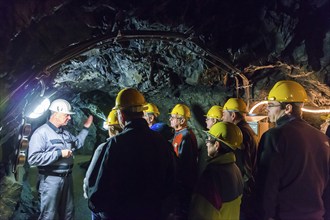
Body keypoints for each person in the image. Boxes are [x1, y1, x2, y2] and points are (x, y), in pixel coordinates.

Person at [87, 88, 175, 220]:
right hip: (152, 213)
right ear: (142, 112)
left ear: (121, 115)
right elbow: (172, 182)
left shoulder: (115, 144)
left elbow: (100, 186)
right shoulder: (162, 142)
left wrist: (97, 208)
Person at [254, 80, 330, 219]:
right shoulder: (323, 139)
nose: (267, 109)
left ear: (288, 108)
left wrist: (265, 216)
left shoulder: (274, 136)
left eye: (271, 105)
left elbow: (267, 185)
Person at [28, 98, 93, 220]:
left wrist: (86, 128)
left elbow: (77, 143)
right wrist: (59, 153)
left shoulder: (65, 133)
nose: (69, 118)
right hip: (50, 180)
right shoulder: (41, 133)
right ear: (55, 114)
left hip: (67, 179)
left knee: (68, 213)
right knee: (49, 215)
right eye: (66, 115)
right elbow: (33, 158)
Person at [189, 122, 244, 220]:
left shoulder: (213, 175)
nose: (206, 143)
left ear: (217, 145)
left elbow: (202, 214)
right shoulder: (236, 170)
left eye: (209, 140)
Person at [222, 97, 258, 219]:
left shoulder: (239, 133)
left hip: (242, 189)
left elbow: (241, 163)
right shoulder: (248, 130)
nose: (222, 118)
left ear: (232, 115)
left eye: (224, 114)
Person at [83, 108, 122, 220]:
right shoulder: (135, 147)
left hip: (108, 206)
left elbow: (89, 178)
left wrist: (89, 197)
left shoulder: (104, 148)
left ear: (112, 128)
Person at [169, 104, 198, 220]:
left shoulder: (185, 136)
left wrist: (179, 181)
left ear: (182, 120)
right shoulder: (180, 134)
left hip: (184, 182)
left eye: (173, 117)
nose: (170, 119)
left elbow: (185, 163)